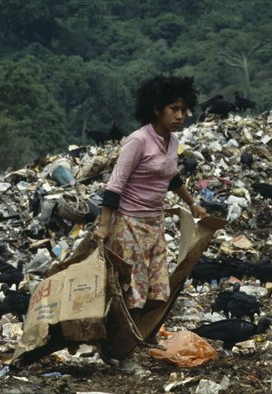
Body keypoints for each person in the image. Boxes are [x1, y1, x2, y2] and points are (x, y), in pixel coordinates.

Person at [92, 75, 207, 370]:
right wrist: (105, 226)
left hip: (155, 225)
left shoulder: (172, 141)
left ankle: (126, 343)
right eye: (173, 109)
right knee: (132, 294)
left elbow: (172, 176)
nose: (180, 116)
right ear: (156, 108)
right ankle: (121, 354)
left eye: (183, 109)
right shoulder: (138, 140)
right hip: (128, 224)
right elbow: (115, 185)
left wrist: (192, 203)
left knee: (157, 292)